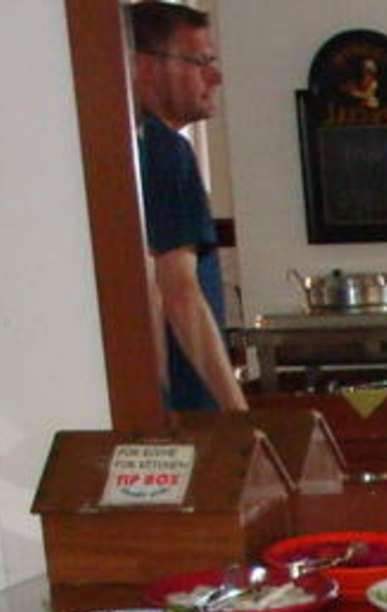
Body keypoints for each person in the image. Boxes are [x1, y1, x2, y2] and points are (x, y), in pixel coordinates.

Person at [128, 2, 246, 412]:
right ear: (145, 66)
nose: (216, 77)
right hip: (190, 412)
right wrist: (237, 414)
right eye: (200, 62)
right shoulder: (166, 152)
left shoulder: (135, 149)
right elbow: (178, 291)